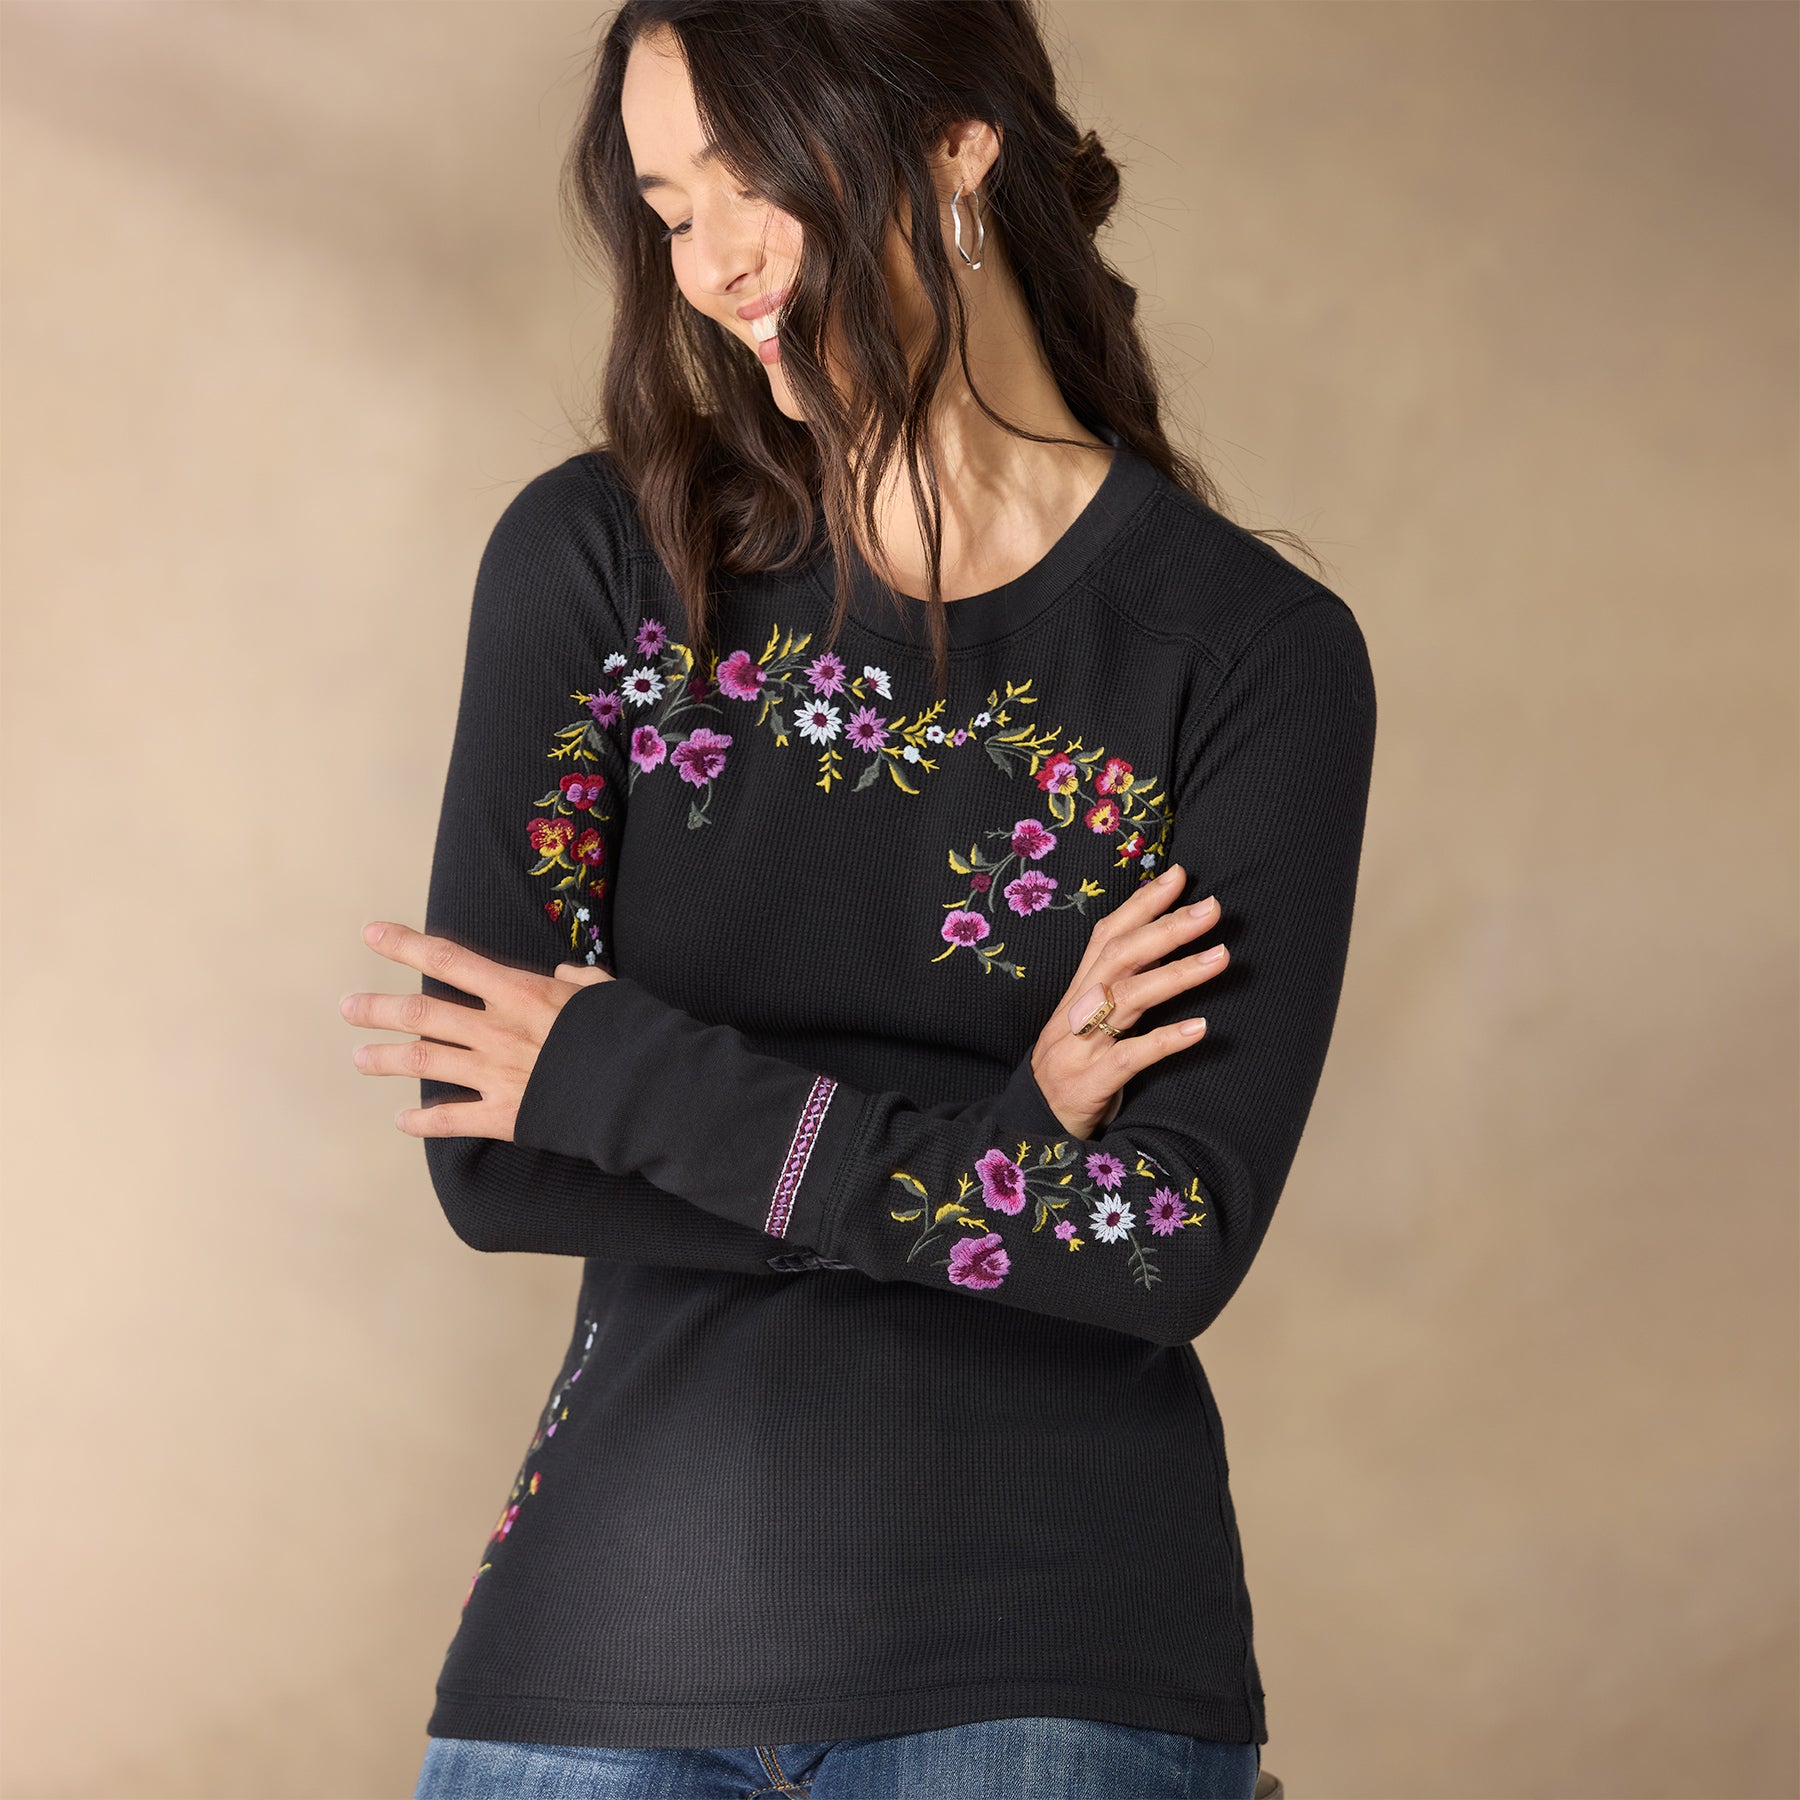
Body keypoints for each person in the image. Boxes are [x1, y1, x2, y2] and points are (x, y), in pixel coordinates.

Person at [340, 2, 1375, 1795]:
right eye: (670, 209)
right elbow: (491, 1161)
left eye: (754, 181)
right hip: (603, 1646)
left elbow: (1157, 1242)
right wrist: (1007, 1139)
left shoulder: (1247, 657)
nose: (712, 263)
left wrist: (636, 1082)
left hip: (1055, 1659)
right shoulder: (606, 567)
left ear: (959, 146)